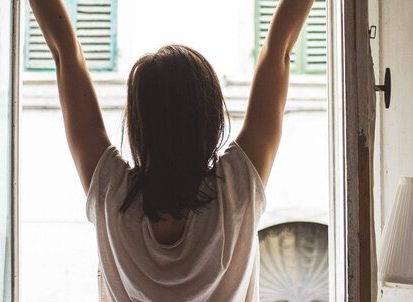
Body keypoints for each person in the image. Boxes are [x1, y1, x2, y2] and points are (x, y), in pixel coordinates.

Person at [28, 0, 315, 300]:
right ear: (211, 120)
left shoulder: (110, 196)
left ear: (138, 126)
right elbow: (279, 49)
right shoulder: (237, 191)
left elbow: (66, 56)